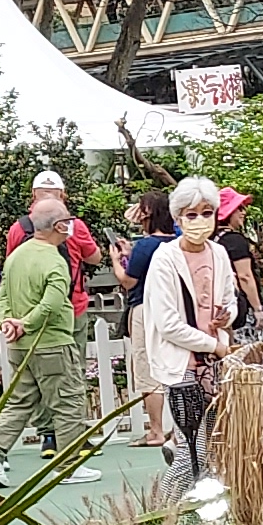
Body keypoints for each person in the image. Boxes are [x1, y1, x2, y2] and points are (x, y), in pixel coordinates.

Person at [142, 173, 243, 489]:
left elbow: (230, 300)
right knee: (191, 453)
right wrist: (216, 347)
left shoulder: (219, 253)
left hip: (214, 365)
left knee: (212, 449)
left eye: (206, 213)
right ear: (178, 218)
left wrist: (226, 318)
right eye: (191, 214)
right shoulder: (165, 259)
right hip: (182, 365)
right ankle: (165, 510)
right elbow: (168, 324)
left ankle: (199, 510)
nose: (200, 221)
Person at [0, 198, 93, 481]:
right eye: (68, 220)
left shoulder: (16, 256)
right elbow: (52, 303)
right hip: (52, 343)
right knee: (68, 402)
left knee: (19, 402)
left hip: (20, 345)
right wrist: (26, 324)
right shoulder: (54, 259)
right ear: (59, 225)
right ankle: (67, 465)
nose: (71, 224)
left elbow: (2, 295)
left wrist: (8, 322)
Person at [114, 188, 174, 448]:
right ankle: (178, 431)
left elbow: (128, 281)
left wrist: (116, 261)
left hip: (144, 309)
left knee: (147, 369)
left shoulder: (146, 245)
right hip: (172, 309)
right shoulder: (178, 241)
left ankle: (156, 430)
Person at [1, 169, 105, 272]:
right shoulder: (74, 226)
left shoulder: (18, 227)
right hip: (68, 283)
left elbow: (10, 265)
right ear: (62, 194)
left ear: (33, 193)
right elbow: (95, 259)